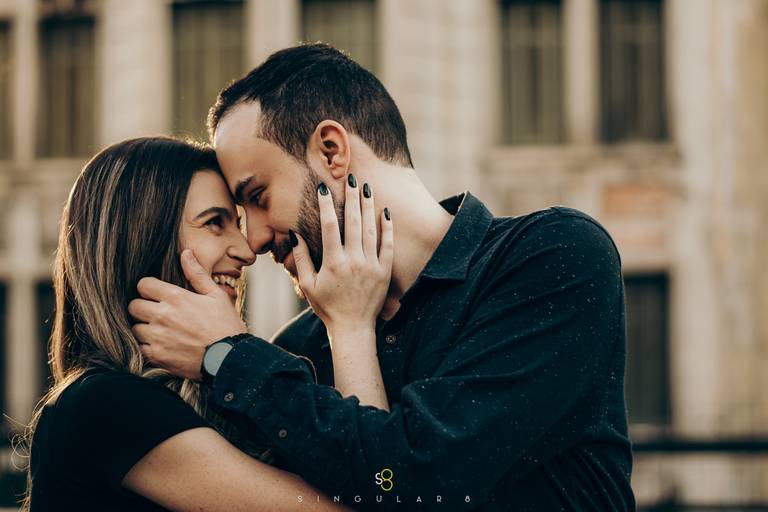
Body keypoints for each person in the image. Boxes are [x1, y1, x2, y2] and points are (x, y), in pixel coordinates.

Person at [131, 44, 636, 510]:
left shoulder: (552, 257)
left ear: (332, 151)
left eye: (258, 197)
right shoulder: (299, 350)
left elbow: (411, 482)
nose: (256, 240)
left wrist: (229, 356)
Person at [23, 136, 392, 511]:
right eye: (215, 223)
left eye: (238, 222)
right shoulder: (108, 406)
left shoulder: (196, 398)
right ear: (144, 238)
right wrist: (350, 327)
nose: (247, 251)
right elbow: (378, 497)